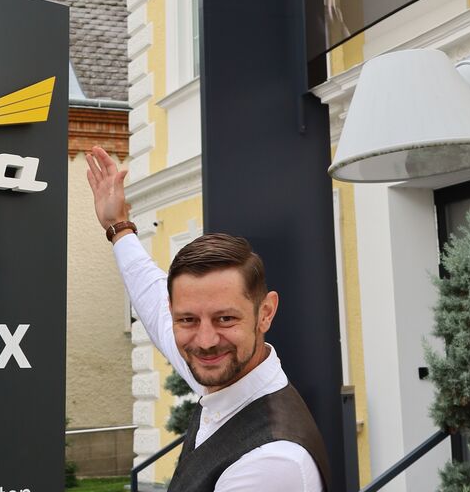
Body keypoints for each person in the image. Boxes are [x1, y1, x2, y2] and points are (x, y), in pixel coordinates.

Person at [86, 146, 330, 492]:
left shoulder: (272, 464)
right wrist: (118, 227)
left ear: (265, 313)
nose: (204, 341)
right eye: (187, 320)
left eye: (225, 318)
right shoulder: (224, 376)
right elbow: (153, 299)